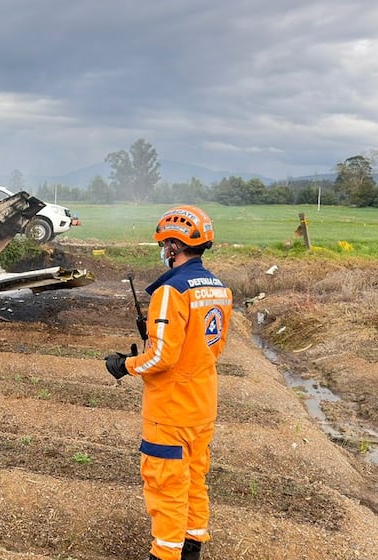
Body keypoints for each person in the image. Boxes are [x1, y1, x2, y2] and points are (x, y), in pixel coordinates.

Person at [103, 206, 232, 560]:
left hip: (170, 412)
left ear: (175, 246)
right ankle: (191, 548)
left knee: (165, 486)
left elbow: (162, 357)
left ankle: (165, 554)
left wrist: (124, 365)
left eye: (164, 244)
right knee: (193, 479)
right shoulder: (220, 290)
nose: (163, 250)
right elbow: (211, 347)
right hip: (202, 406)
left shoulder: (171, 292)